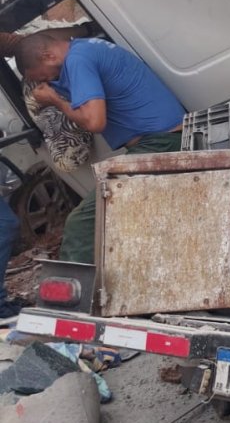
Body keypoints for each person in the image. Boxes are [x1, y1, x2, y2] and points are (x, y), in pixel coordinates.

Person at [17, 33, 186, 265]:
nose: (49, 79)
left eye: (44, 76)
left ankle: (76, 287)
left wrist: (55, 100)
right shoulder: (85, 48)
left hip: (159, 144)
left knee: (81, 223)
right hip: (161, 140)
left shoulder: (77, 61)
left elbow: (95, 122)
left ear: (48, 55)